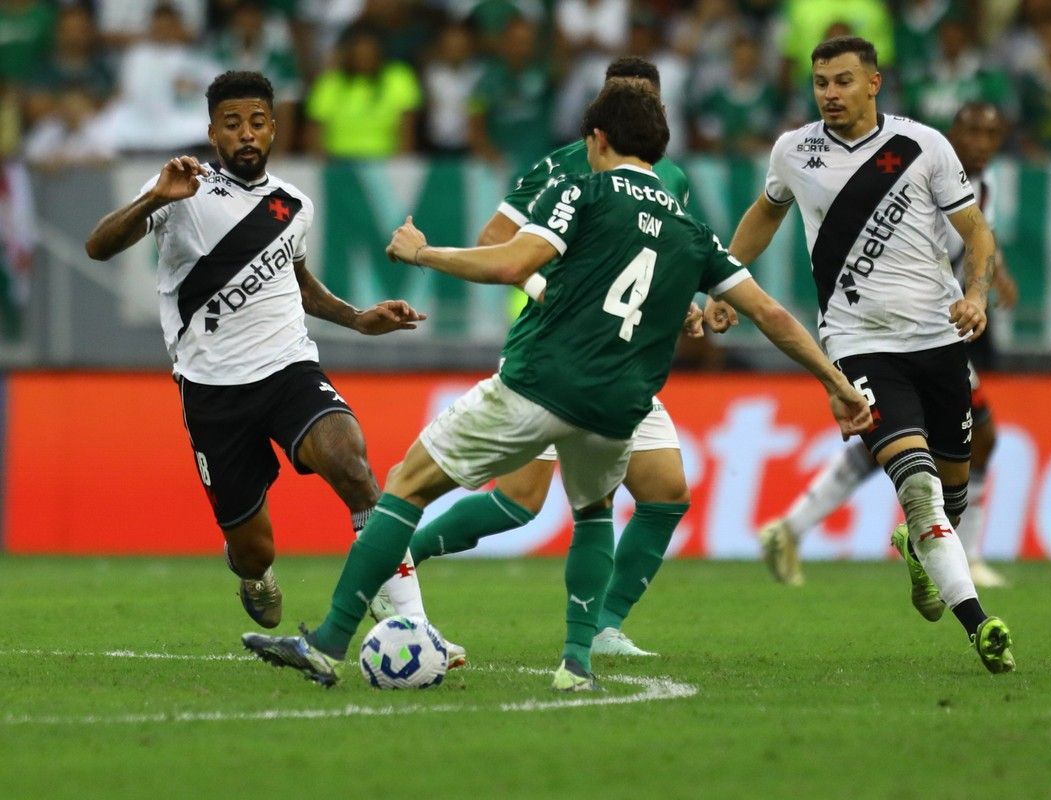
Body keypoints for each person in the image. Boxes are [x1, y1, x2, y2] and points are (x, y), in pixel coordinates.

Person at [241, 80, 872, 691]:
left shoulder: (585, 191)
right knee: (593, 510)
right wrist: (836, 383)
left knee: (405, 484)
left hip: (541, 384)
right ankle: (576, 662)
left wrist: (423, 253)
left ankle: (327, 642)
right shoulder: (691, 229)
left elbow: (512, 260)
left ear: (598, 139)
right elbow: (772, 315)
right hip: (619, 406)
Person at [83, 70, 464, 667]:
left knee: (355, 468)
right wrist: (155, 197)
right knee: (253, 549)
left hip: (289, 369)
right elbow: (98, 247)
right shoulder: (181, 190)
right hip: (212, 389)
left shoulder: (294, 205)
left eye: (257, 122)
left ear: (274, 128)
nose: (246, 134)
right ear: (212, 130)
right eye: (232, 123)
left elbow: (298, 281)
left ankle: (412, 624)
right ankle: (253, 574)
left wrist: (358, 318)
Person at [720, 36, 1015, 673]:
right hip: (859, 345)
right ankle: (980, 626)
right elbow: (765, 215)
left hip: (939, 341)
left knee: (952, 495)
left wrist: (978, 292)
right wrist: (723, 281)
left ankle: (921, 549)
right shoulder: (794, 151)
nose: (830, 93)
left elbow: (976, 232)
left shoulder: (922, 145)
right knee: (918, 488)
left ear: (874, 83)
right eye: (821, 82)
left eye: (843, 81)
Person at [402, 57, 705, 659]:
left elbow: (655, 261)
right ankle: (404, 557)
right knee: (520, 501)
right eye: (625, 99)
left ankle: (606, 627)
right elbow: (496, 241)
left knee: (666, 491)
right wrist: (551, 291)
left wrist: (684, 305)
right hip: (558, 348)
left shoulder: (670, 175)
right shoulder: (561, 167)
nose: (638, 111)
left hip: (626, 356)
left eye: (647, 100)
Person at [758, 101, 1019, 590]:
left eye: (992, 134)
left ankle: (793, 527)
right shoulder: (927, 162)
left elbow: (972, 237)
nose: (983, 144)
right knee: (971, 438)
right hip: (908, 331)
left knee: (902, 441)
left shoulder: (980, 184)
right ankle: (963, 552)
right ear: (954, 135)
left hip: (937, 328)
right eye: (974, 133)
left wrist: (992, 273)